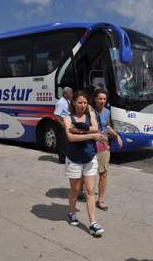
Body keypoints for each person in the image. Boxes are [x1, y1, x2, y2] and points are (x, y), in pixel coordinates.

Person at [63, 90, 105, 236]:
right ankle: (71, 213)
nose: (83, 105)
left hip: (90, 158)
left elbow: (96, 128)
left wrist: (79, 130)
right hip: (74, 159)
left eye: (85, 102)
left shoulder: (90, 114)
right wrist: (91, 135)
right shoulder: (67, 118)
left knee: (89, 191)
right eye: (80, 102)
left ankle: (93, 223)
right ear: (73, 103)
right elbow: (70, 138)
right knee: (75, 190)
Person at [93, 88, 123, 211]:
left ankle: (100, 200)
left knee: (103, 174)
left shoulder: (107, 111)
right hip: (90, 145)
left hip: (103, 145)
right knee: (87, 172)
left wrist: (116, 136)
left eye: (104, 99)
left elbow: (107, 126)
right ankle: (81, 189)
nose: (102, 101)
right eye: (100, 98)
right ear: (94, 99)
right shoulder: (89, 111)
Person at [54, 87, 73, 164]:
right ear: (65, 94)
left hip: (67, 123)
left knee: (67, 142)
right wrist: (62, 124)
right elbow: (56, 115)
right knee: (63, 142)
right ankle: (62, 159)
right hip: (62, 124)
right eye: (70, 93)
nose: (72, 94)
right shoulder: (61, 102)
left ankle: (67, 158)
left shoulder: (67, 101)